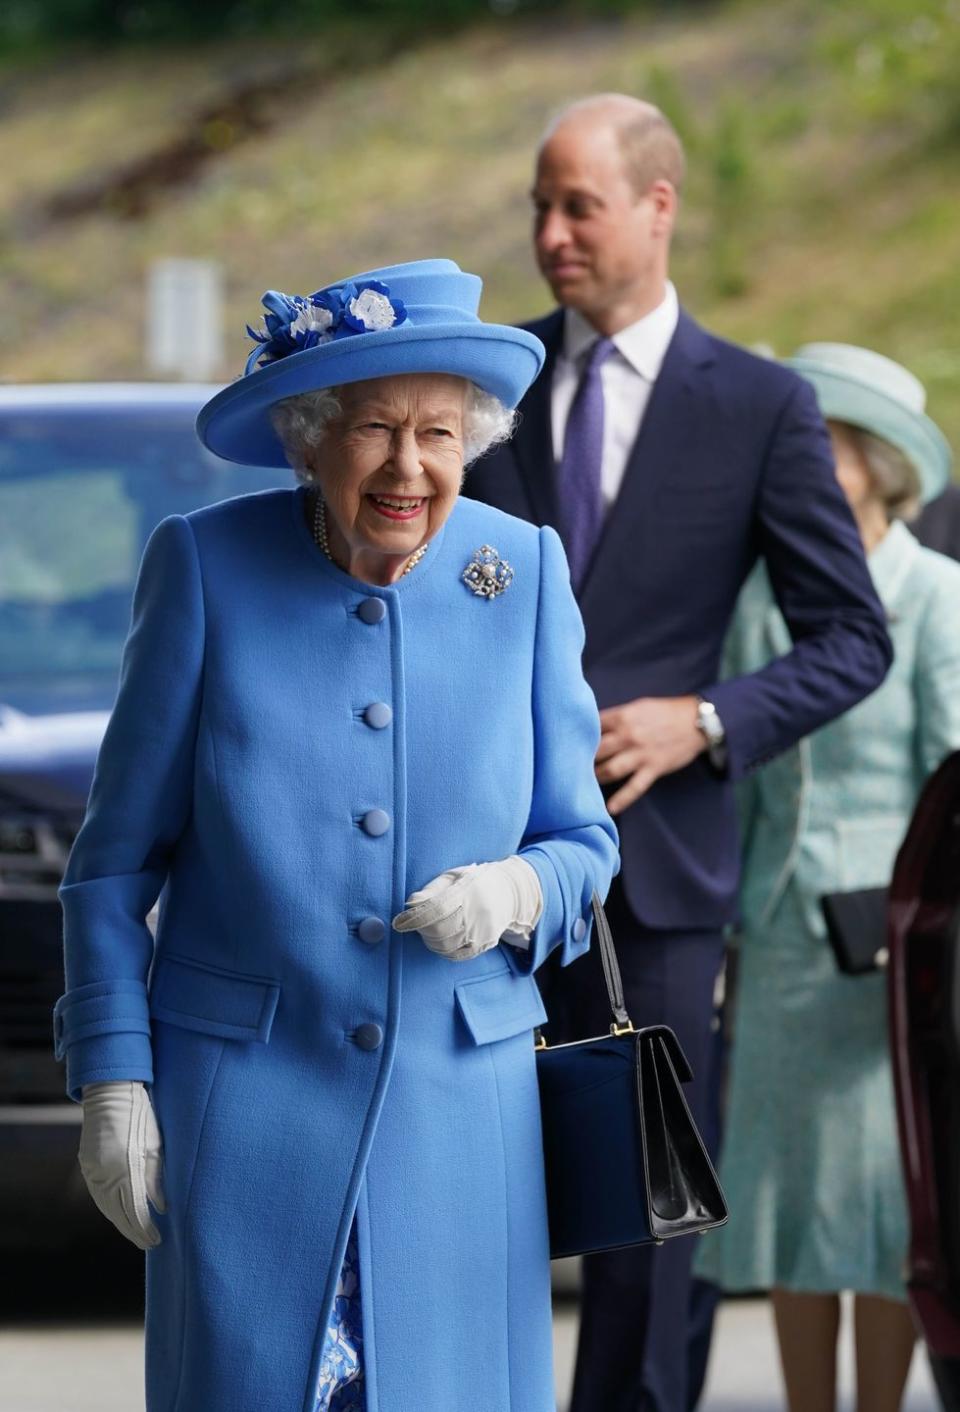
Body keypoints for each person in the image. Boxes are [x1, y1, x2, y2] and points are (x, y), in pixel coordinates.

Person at [52, 258, 619, 1412]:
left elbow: (583, 840)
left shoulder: (523, 576)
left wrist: (518, 890)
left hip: (462, 1120)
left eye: (441, 435)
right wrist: (113, 1072)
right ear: (310, 437)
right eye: (376, 429)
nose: (411, 466)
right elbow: (111, 866)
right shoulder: (207, 567)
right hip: (246, 1110)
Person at [464, 95, 893, 1412]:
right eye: (539, 206)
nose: (550, 235)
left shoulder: (763, 407)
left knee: (646, 1209)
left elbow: (849, 638)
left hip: (654, 878)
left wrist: (702, 718)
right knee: (478, 1185)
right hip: (471, 864)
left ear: (660, 208)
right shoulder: (488, 392)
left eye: (578, 206)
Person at [698, 342, 960, 1412]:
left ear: (874, 460)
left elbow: (956, 780)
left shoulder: (936, 594)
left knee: (886, 1207)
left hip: (892, 958)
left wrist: (926, 926)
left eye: (821, 440)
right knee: (788, 1208)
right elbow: (736, 780)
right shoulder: (758, 593)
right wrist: (725, 937)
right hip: (777, 945)